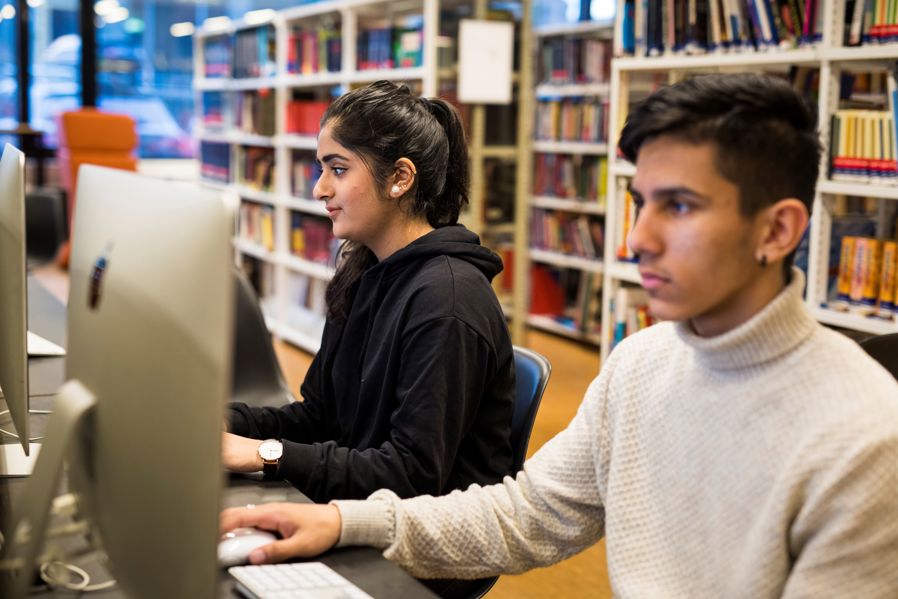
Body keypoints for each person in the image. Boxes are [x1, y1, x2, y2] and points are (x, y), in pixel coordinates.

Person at [220, 73, 898, 597]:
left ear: (777, 231)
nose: (638, 239)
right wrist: (345, 522)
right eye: (640, 203)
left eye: (680, 206)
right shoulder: (641, 364)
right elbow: (525, 513)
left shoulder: (864, 439)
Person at [223, 80, 515, 504]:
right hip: (360, 501)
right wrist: (223, 424)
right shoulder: (364, 272)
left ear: (400, 178)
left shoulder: (447, 302)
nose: (319, 189)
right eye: (321, 168)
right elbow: (321, 417)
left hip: (419, 539)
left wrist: (264, 454)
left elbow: (411, 475)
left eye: (338, 169)